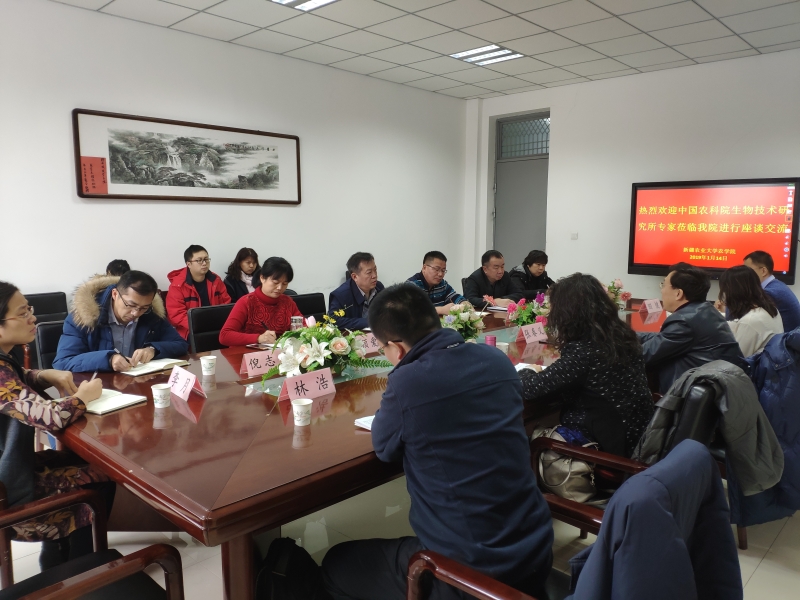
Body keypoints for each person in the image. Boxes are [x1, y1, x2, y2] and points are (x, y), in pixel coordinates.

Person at [321, 284, 554, 600]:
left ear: (396, 348)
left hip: (470, 572)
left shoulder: (408, 382)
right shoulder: (495, 359)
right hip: (536, 549)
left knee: (336, 563)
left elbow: (385, 449)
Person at [0, 281, 114, 570]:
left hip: (12, 471)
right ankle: (81, 571)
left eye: (29, 309)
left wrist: (42, 374)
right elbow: (48, 417)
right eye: (23, 313)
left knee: (84, 462)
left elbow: (15, 379)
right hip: (8, 493)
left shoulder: (4, 360)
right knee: (100, 476)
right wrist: (83, 397)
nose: (33, 318)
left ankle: (56, 559)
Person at [518, 274, 654, 457]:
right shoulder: (623, 337)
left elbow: (529, 388)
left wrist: (528, 370)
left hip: (604, 450)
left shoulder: (585, 351)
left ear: (568, 312)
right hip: (636, 437)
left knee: (523, 442)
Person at [639, 262, 746, 394]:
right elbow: (662, 338)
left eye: (663, 284)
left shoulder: (684, 321)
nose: (661, 290)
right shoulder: (704, 310)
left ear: (678, 293)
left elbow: (643, 355)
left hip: (700, 398)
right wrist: (628, 335)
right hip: (720, 390)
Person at [54, 270, 188, 373]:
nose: (136, 313)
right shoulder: (82, 318)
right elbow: (63, 362)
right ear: (115, 294)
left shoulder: (151, 315)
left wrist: (153, 349)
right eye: (130, 305)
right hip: (100, 389)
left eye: (144, 308)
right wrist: (108, 359)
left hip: (138, 384)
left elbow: (180, 344)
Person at [219, 257, 303, 346]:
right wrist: (259, 338)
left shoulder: (288, 302)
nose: (279, 287)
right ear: (262, 278)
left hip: (280, 353)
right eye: (275, 282)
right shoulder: (246, 302)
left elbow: (304, 327)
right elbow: (224, 336)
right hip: (248, 353)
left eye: (284, 284)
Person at [166, 244, 231, 339]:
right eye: (199, 260)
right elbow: (177, 314)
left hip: (217, 326)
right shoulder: (178, 285)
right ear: (189, 264)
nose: (204, 263)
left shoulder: (216, 280)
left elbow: (226, 304)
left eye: (206, 259)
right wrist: (200, 325)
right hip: (191, 330)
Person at [718, 265, 783, 357]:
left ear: (733, 292)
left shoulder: (750, 321)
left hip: (752, 366)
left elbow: (737, 359)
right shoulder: (770, 309)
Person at [744, 250, 800, 333]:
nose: (744, 275)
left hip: (784, 339)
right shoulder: (776, 285)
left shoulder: (770, 292)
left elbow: (746, 317)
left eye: (748, 271)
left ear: (763, 271)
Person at [328, 252, 384, 331]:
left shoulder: (379, 287)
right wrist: (368, 322)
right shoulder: (341, 295)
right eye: (369, 272)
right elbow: (333, 321)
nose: (374, 275)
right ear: (355, 277)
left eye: (375, 270)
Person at [406, 251, 467, 315]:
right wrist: (441, 310)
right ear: (424, 268)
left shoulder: (442, 284)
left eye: (443, 270)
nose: (440, 274)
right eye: (436, 269)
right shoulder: (411, 286)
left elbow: (455, 297)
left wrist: (465, 304)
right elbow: (411, 310)